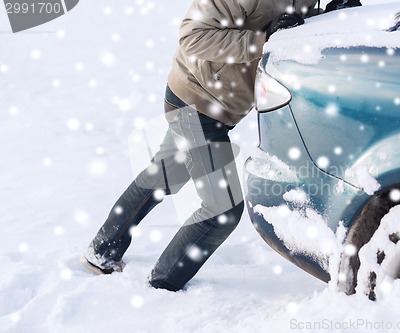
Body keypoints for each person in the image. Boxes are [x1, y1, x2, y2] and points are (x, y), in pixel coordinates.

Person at [80, 0, 322, 292]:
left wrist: (333, 14)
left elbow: (293, 25)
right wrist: (262, 40)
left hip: (219, 104)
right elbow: (193, 36)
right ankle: (162, 286)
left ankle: (102, 250)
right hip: (195, 101)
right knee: (221, 211)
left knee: (165, 174)